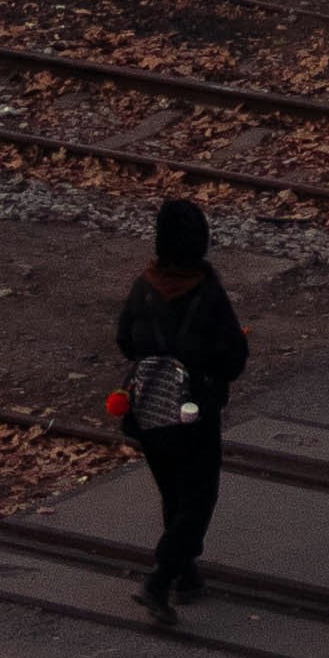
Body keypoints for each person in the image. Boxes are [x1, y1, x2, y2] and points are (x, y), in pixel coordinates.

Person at [110, 194, 249, 618]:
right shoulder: (208, 293)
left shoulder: (143, 286)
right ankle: (161, 578)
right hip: (194, 411)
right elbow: (233, 357)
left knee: (173, 492)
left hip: (149, 409)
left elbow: (125, 341)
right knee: (199, 497)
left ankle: (184, 574)